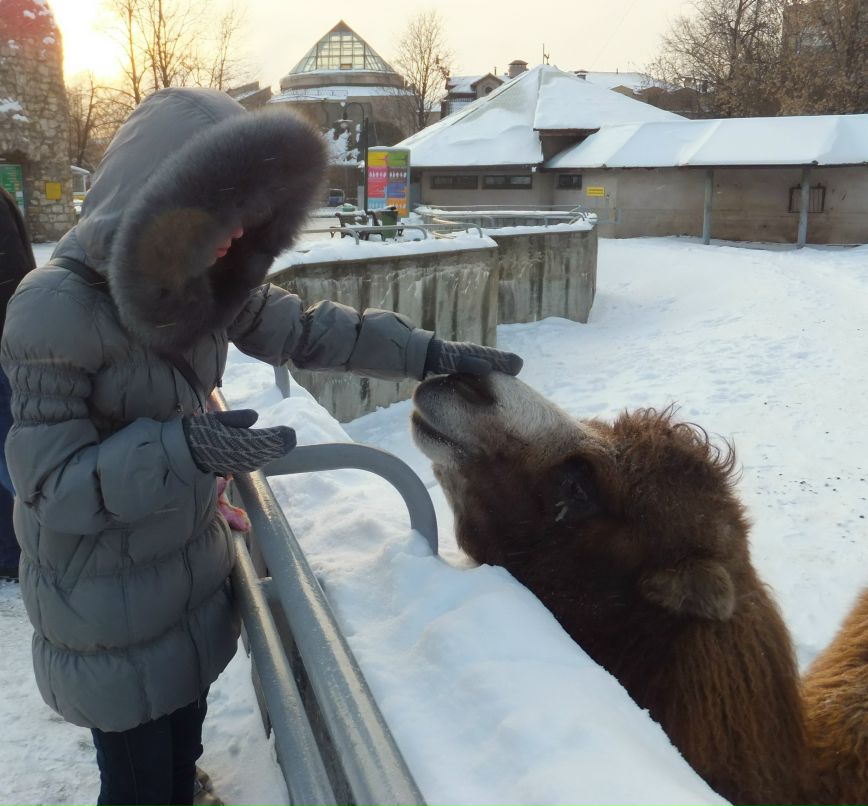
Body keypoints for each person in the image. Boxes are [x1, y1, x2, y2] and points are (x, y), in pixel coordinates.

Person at [0, 87, 522, 806]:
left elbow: (310, 331)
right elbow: (50, 487)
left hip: (180, 573)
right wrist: (185, 448)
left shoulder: (205, 282)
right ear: (156, 201)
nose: (230, 243)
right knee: (137, 781)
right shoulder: (52, 308)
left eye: (245, 224)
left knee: (181, 745)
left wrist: (428, 354)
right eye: (218, 220)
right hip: (104, 602)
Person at [0, 185, 35, 581]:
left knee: (14, 458)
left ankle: (43, 544)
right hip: (10, 342)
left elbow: (8, 281)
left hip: (5, 350)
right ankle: (8, 550)